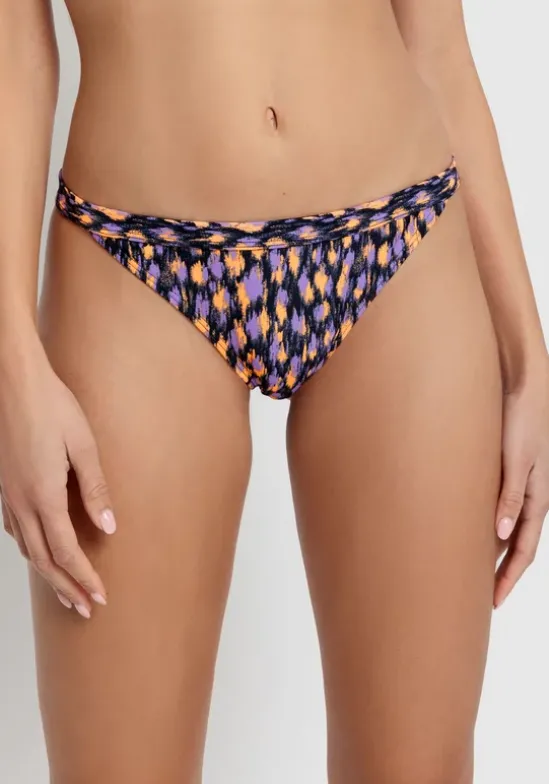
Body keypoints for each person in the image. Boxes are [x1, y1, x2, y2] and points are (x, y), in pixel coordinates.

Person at [1, 0, 548, 781]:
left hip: (403, 236)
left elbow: (436, 45)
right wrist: (13, 368)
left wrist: (529, 362)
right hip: (134, 258)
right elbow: (13, 58)